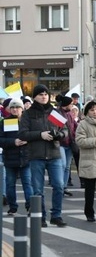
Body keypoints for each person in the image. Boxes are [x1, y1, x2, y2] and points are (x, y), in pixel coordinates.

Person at [18, 85, 68, 227]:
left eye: (46, 94)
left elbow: (65, 131)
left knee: (59, 185)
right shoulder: (28, 114)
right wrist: (40, 135)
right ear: (34, 97)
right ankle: (41, 216)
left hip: (54, 153)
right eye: (40, 94)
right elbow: (22, 134)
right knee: (38, 189)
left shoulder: (54, 112)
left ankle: (56, 215)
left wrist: (58, 135)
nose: (44, 96)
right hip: (36, 155)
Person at [0, 98, 33, 215]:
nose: (14, 109)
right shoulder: (5, 122)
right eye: (12, 107)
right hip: (10, 157)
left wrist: (27, 140)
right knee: (10, 184)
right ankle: (13, 206)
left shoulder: (27, 120)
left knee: (27, 183)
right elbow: (1, 140)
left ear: (22, 108)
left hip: (26, 157)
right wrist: (14, 141)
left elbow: (33, 136)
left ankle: (30, 206)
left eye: (17, 107)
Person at [55, 94, 77, 194]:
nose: (72, 106)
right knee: (63, 165)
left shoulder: (70, 114)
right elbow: (55, 128)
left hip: (70, 142)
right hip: (60, 143)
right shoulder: (56, 113)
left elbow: (75, 126)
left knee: (67, 166)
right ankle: (59, 186)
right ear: (66, 104)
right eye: (71, 104)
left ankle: (64, 187)